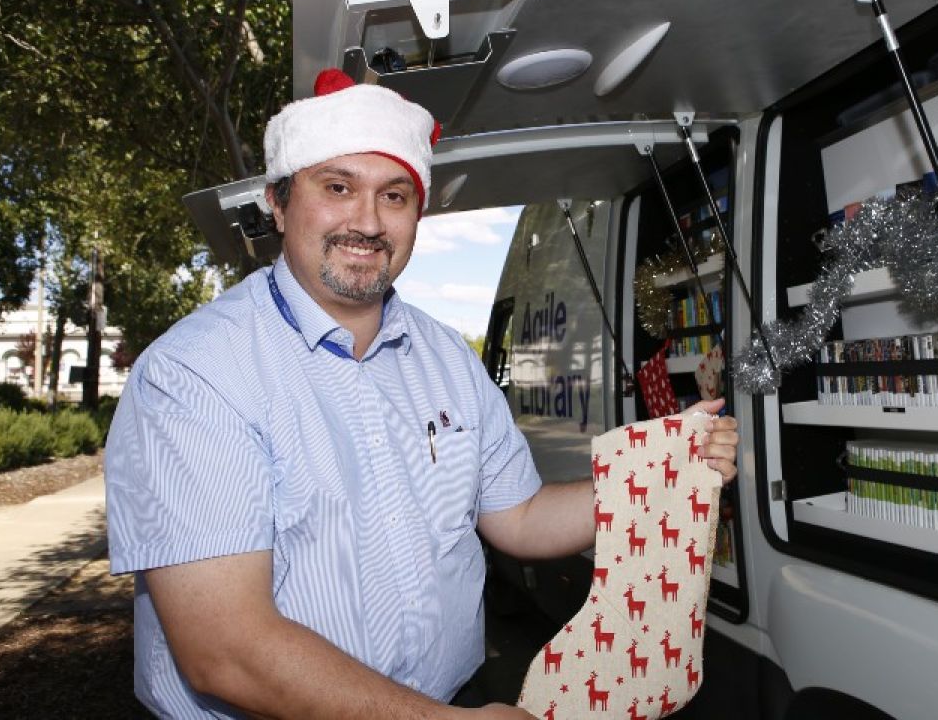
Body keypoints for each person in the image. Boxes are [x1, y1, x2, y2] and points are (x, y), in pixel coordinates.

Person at [105, 69, 740, 719]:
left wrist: (662, 465)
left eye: (395, 196)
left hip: (446, 699)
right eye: (337, 187)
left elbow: (520, 519)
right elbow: (225, 649)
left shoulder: (447, 361)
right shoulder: (193, 376)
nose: (367, 221)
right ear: (277, 200)